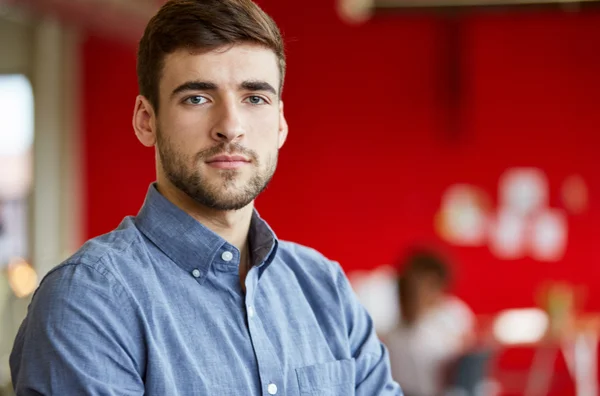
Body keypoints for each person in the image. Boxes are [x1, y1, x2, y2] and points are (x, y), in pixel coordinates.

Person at [9, 1, 402, 395]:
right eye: (197, 98)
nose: (231, 127)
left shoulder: (324, 289)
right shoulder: (88, 301)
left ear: (280, 123)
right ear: (147, 120)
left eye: (255, 98)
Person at [385, 249, 475, 396]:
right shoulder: (394, 328)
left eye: (431, 285)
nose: (424, 292)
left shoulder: (454, 314)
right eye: (417, 286)